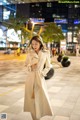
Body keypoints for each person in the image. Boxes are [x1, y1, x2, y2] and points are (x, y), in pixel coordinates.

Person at [24, 35, 53, 120]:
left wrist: (42, 73)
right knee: (31, 100)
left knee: (40, 100)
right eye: (32, 44)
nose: (34, 46)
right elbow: (26, 65)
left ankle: (38, 117)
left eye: (36, 44)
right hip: (30, 78)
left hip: (39, 78)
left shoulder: (46, 53)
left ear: (40, 43)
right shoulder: (30, 53)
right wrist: (31, 65)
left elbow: (48, 66)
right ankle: (34, 118)